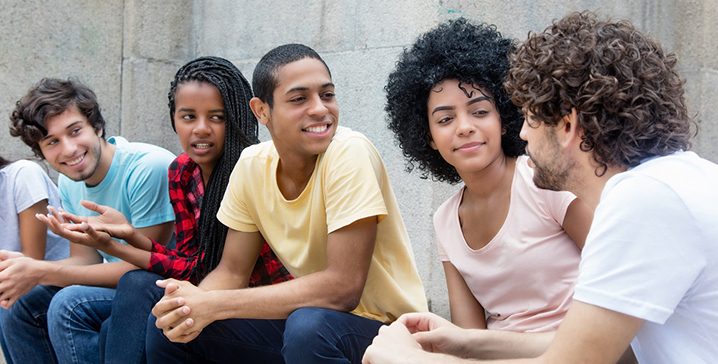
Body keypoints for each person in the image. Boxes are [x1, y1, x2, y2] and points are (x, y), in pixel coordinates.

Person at [363, 11, 718, 364]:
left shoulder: (643, 202)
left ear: (567, 125)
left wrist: (407, 359)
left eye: (530, 117)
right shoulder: (667, 184)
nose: (522, 133)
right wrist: (465, 342)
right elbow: (585, 348)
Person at [145, 43, 428, 364]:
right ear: (261, 110)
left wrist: (216, 304)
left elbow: (342, 288)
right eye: (299, 99)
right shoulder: (252, 164)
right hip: (313, 325)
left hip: (390, 331)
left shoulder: (348, 151)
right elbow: (232, 271)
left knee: (309, 325)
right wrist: (191, 306)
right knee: (175, 324)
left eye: (328, 95)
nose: (320, 109)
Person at [43, 56, 293, 364]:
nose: (201, 129)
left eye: (216, 117)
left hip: (262, 309)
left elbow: (232, 276)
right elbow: (189, 265)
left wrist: (184, 301)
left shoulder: (250, 168)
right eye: (188, 117)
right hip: (214, 296)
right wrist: (123, 241)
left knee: (146, 301)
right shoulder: (182, 173)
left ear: (237, 117)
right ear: (174, 118)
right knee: (121, 313)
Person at [381, 18, 592, 360]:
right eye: (445, 119)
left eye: (479, 111)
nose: (464, 128)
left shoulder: (543, 181)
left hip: (580, 350)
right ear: (428, 138)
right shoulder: (445, 220)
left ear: (504, 118)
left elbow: (619, 278)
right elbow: (467, 338)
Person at [0, 78, 175, 364]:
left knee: (69, 305)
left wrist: (40, 272)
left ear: (97, 126)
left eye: (75, 131)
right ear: (41, 153)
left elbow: (145, 267)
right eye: (52, 142)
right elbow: (85, 260)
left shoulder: (148, 167)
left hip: (163, 283)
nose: (68, 149)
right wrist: (24, 271)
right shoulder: (70, 181)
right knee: (19, 303)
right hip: (122, 282)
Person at [0, 156, 70, 362]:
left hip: (67, 278)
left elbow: (30, 261)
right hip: (26, 287)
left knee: (10, 301)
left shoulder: (22, 175)